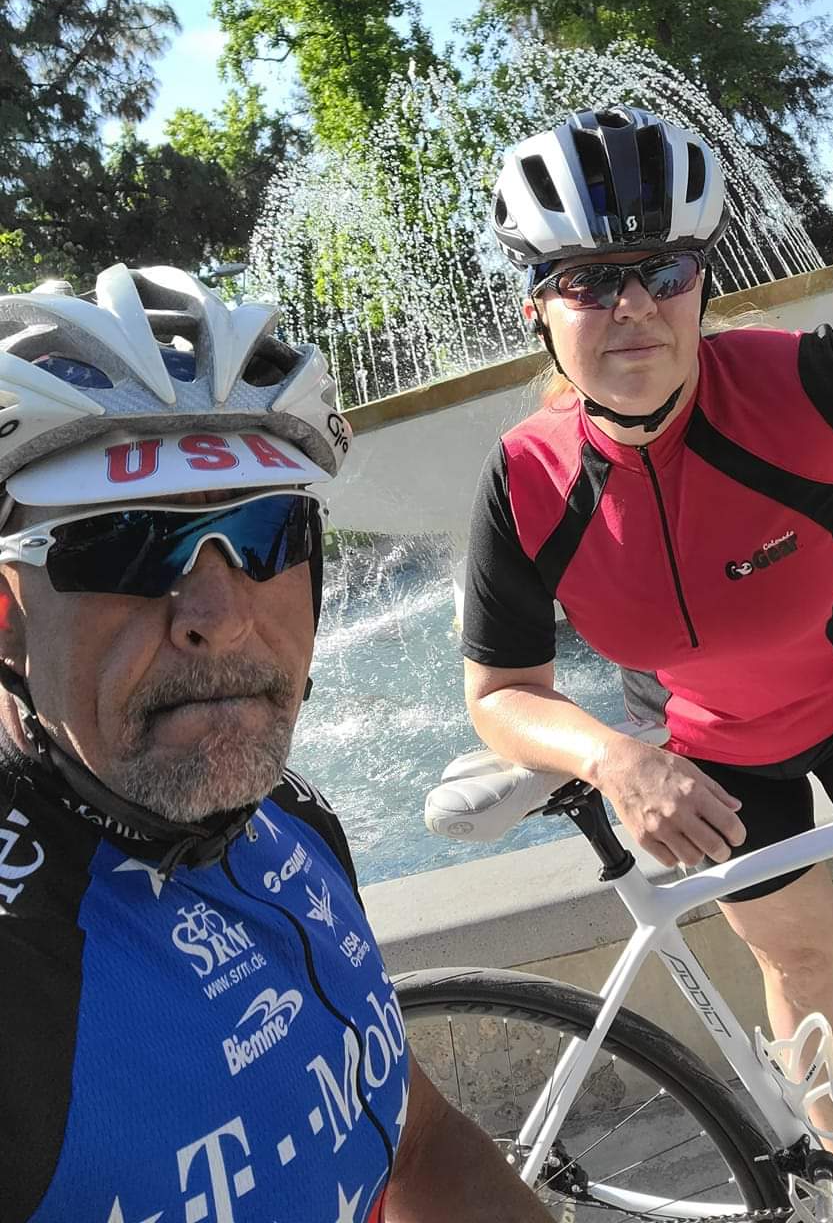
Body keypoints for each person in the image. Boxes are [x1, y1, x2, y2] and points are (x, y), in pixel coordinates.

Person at [460, 104, 833, 1179]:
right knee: (799, 963)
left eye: (666, 269)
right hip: (703, 755)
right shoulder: (523, 480)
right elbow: (500, 690)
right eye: (590, 280)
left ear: (706, 278)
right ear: (538, 310)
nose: (636, 307)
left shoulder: (802, 382)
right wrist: (613, 758)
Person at [0, 266, 549, 1222]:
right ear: (6, 619)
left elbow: (415, 1141)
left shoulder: (286, 819)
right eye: (124, 543)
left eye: (264, 531)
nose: (218, 617)